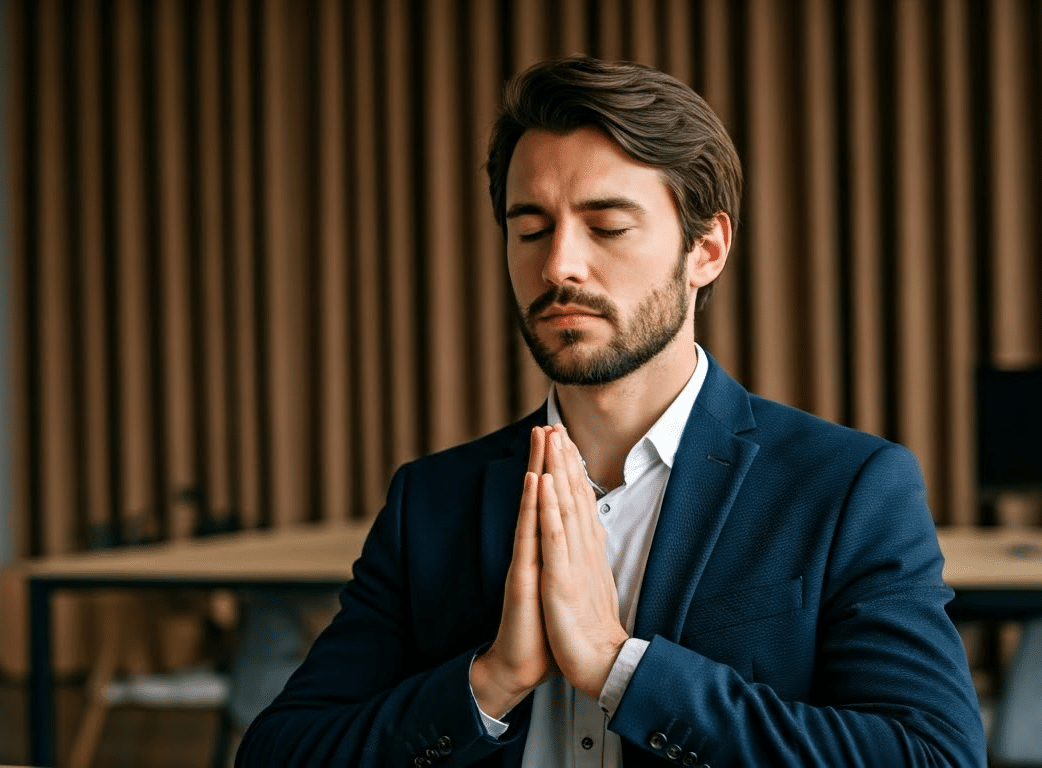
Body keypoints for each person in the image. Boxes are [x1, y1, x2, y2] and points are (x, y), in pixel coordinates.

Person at [235, 55, 986, 767]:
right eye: (530, 227)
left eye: (607, 226)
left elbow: (933, 755)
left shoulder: (848, 486)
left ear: (707, 249)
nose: (558, 263)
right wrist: (489, 682)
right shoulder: (430, 501)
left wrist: (617, 665)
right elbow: (279, 751)